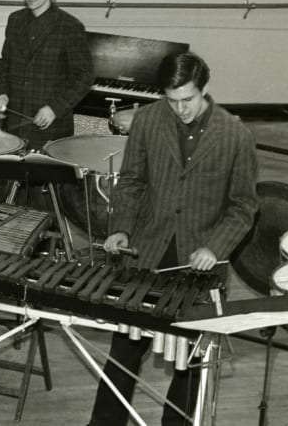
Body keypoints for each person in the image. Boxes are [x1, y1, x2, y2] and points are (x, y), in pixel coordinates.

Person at [86, 51, 258, 426]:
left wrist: (215, 247)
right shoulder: (148, 120)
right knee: (124, 354)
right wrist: (121, 228)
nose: (180, 109)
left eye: (188, 100)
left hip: (198, 267)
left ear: (205, 89)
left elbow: (244, 207)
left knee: (189, 367)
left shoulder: (235, 135)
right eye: (172, 100)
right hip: (147, 252)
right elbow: (131, 182)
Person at [0, 0, 94, 151]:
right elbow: (5, 63)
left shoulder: (70, 27)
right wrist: (2, 94)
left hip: (51, 128)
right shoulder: (15, 20)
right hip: (13, 125)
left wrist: (54, 109)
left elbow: (84, 76)